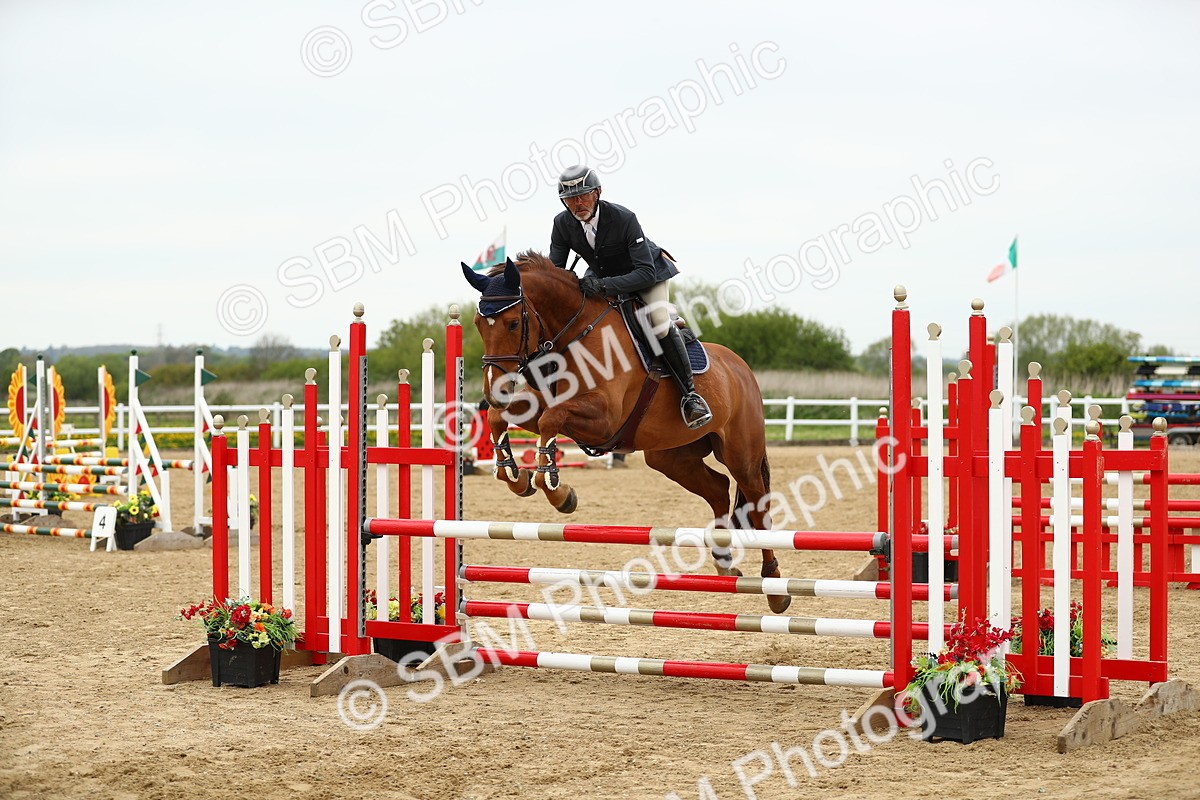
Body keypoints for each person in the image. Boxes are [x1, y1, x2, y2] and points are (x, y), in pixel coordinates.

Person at [547, 165, 713, 430]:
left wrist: (602, 285)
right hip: (604, 275)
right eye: (570, 199)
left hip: (647, 275)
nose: (578, 203)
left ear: (597, 193)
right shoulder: (562, 224)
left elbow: (645, 272)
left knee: (659, 322)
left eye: (583, 195)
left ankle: (690, 397)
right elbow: (555, 271)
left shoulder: (623, 218)